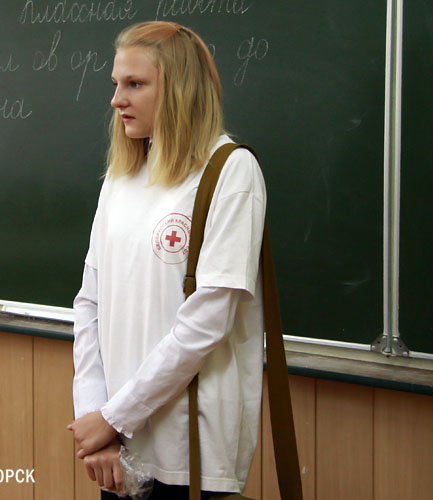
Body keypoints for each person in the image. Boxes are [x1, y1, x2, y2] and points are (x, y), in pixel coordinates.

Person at [68, 21, 266, 500]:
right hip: (116, 448)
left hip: (189, 450)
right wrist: (96, 419)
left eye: (135, 84)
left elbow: (206, 323)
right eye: (116, 83)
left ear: (180, 90)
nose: (116, 100)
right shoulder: (122, 174)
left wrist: (115, 417)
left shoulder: (229, 170)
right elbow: (89, 304)